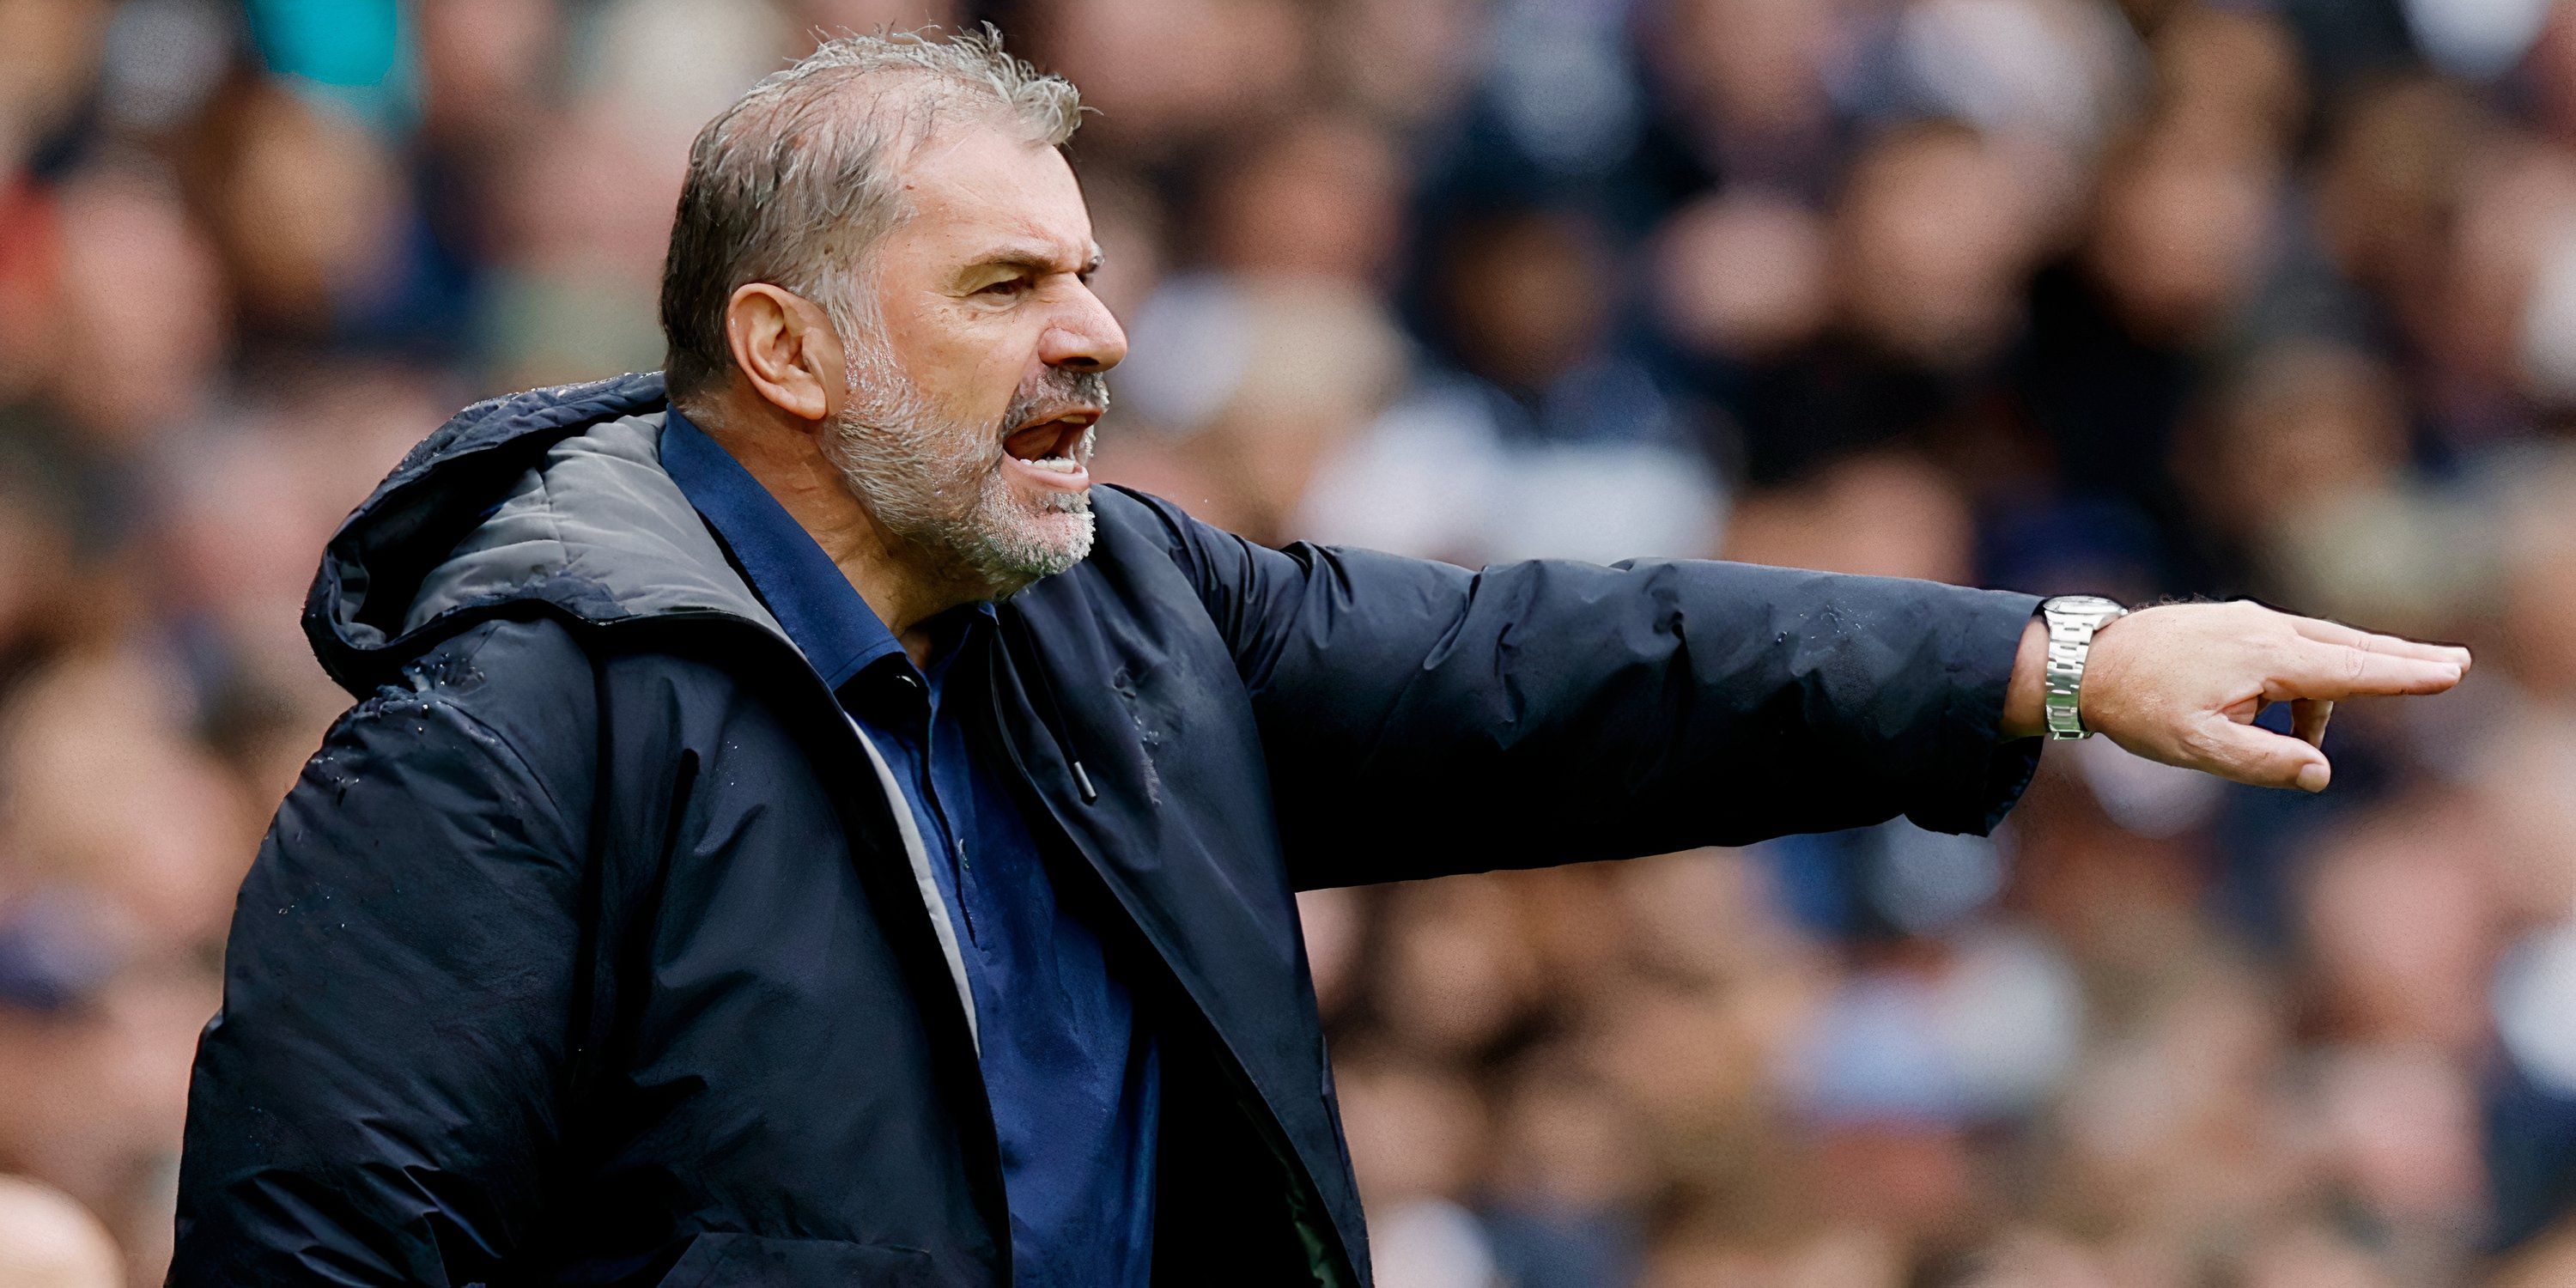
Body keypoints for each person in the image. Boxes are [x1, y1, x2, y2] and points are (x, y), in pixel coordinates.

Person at [167, 28, 2469, 1287]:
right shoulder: (506, 735)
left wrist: (2057, 660)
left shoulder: (1132, 619)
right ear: (780, 344)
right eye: (1004, 291)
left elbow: (1577, 669)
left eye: (1086, 275)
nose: (1099, 334)